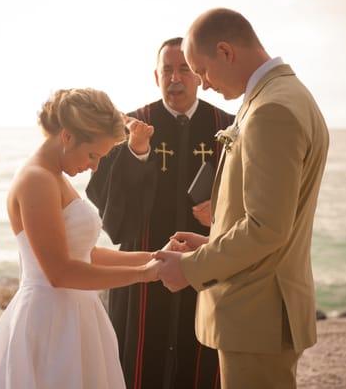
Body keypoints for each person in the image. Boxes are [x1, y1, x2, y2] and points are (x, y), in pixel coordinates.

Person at [155, 8, 330, 388]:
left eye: (201, 71)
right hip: (261, 311)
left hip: (257, 313)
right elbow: (273, 219)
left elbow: (266, 228)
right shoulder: (284, 95)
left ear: (226, 51)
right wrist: (212, 240)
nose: (203, 83)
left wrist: (189, 268)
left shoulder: (272, 110)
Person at [0, 88, 162, 389]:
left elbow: (85, 254)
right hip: (51, 320)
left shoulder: (54, 176)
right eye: (93, 155)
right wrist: (142, 275)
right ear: (67, 136)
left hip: (77, 314)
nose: (95, 167)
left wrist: (153, 257)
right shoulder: (37, 180)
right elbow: (59, 272)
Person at [86, 37, 235, 389]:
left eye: (184, 69)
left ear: (199, 75)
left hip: (203, 266)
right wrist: (137, 154)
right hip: (143, 268)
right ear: (156, 76)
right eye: (167, 70)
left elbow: (253, 199)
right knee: (137, 366)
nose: (175, 78)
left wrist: (220, 211)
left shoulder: (227, 128)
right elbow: (107, 206)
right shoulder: (131, 126)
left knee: (199, 363)